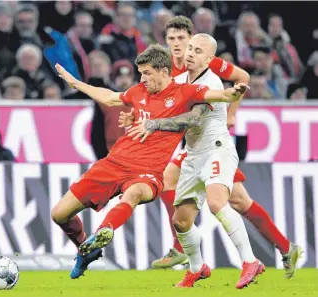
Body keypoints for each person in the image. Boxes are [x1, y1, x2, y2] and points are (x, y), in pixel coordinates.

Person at [120, 16, 301, 280]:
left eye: (183, 39)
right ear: (166, 41)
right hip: (194, 144)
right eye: (172, 39)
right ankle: (282, 248)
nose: (178, 45)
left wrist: (231, 113)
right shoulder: (168, 68)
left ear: (192, 39)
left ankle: (276, 249)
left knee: (236, 202)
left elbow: (242, 77)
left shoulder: (208, 64)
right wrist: (138, 117)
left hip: (212, 141)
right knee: (172, 182)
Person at [54, 44, 246, 280]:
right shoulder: (137, 92)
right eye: (141, 73)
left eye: (147, 73)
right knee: (59, 214)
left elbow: (220, 95)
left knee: (133, 193)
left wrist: (233, 93)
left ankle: (105, 230)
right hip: (112, 164)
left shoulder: (185, 93)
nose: (142, 78)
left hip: (148, 173)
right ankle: (86, 250)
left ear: (164, 72)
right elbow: (110, 97)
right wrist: (77, 84)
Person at [125, 34, 263, 289]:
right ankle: (197, 269)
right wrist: (134, 115)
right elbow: (157, 102)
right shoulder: (178, 80)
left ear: (209, 59)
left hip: (216, 150)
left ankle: (250, 261)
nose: (189, 53)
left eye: (198, 51)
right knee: (182, 220)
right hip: (192, 154)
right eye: (190, 48)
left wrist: (154, 124)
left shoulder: (210, 82)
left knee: (216, 202)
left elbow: (193, 119)